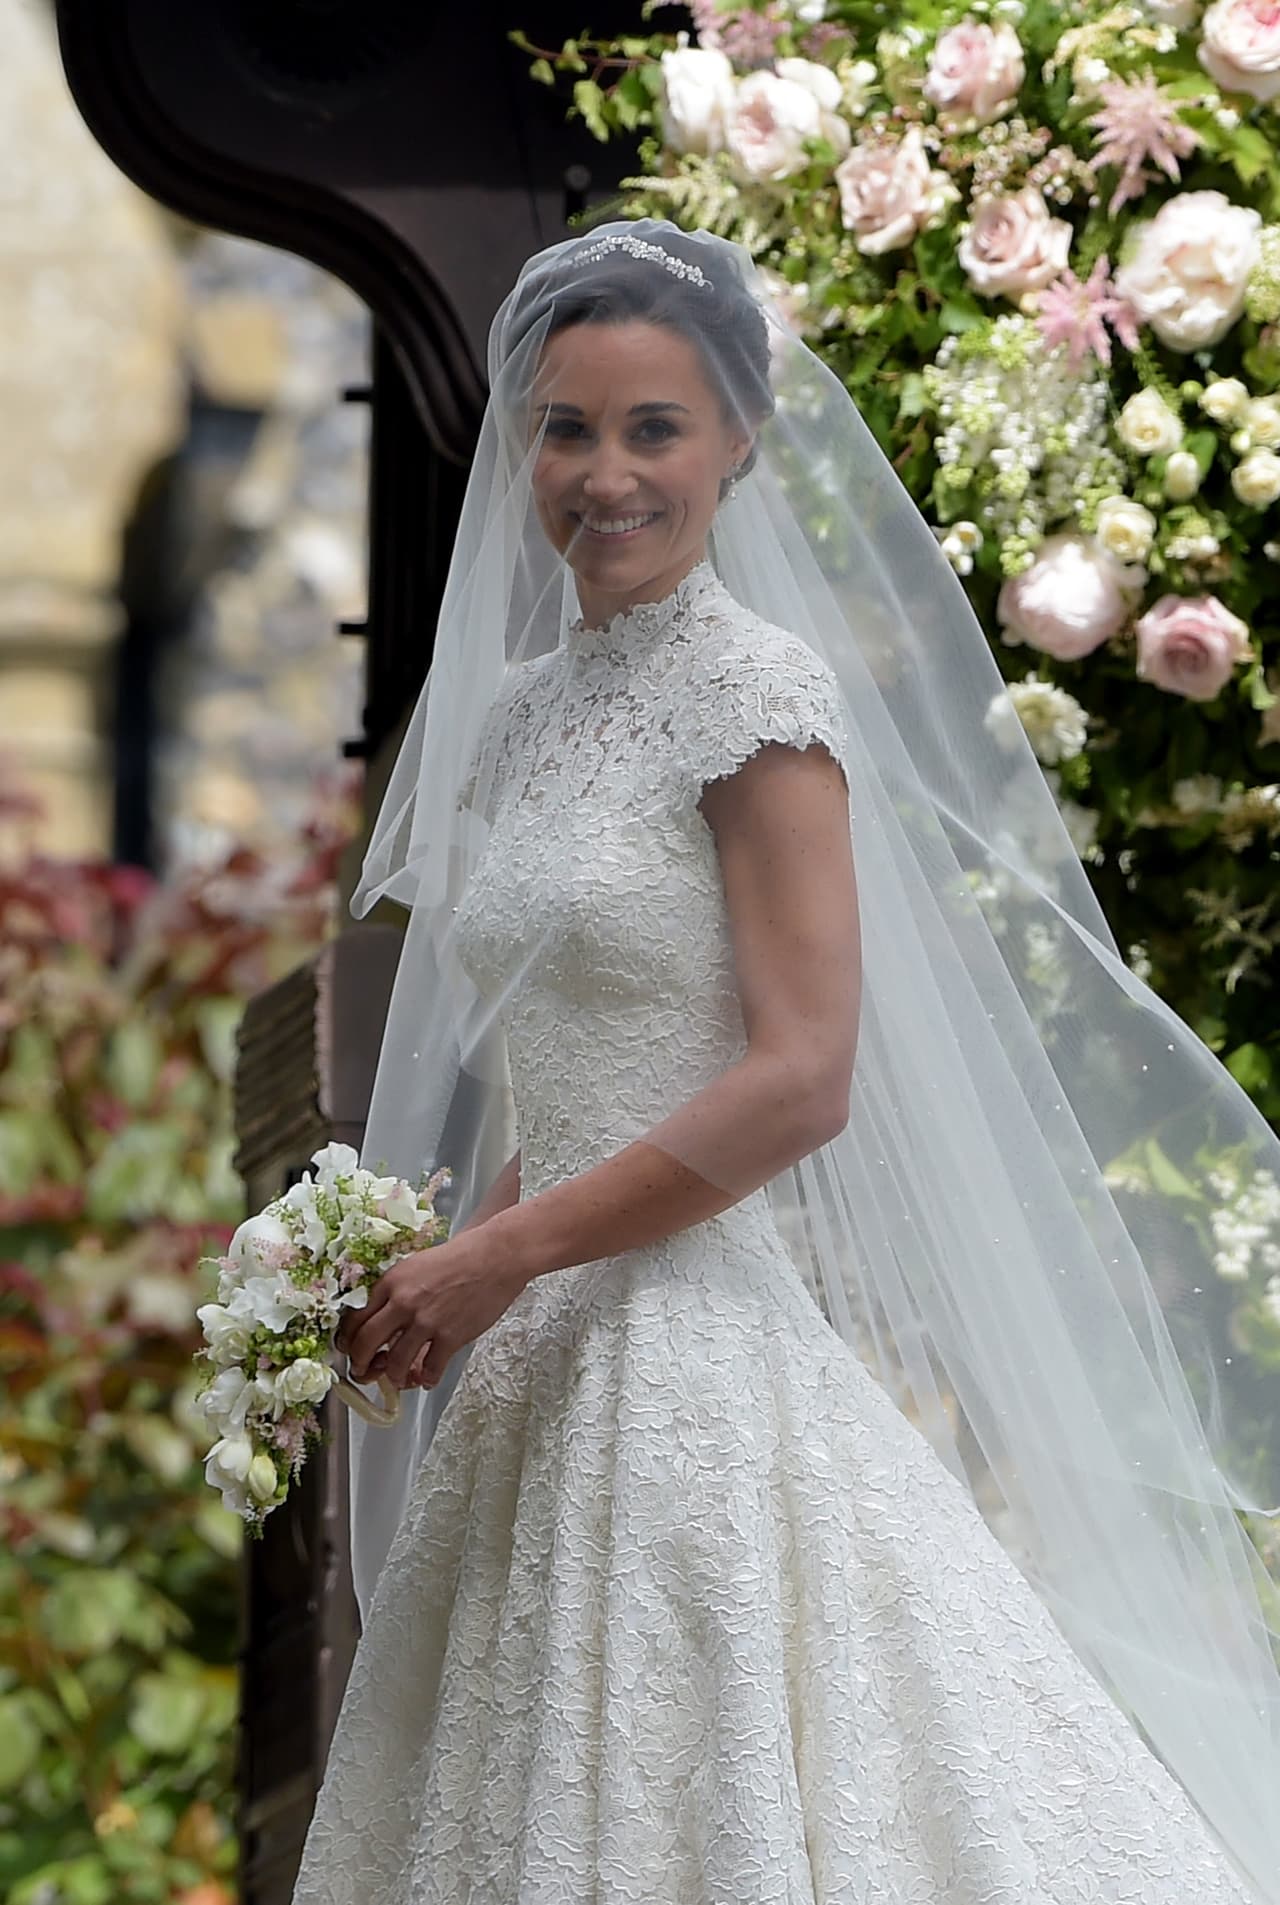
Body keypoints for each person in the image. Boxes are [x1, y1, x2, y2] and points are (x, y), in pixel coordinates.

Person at [290, 221, 1280, 1903]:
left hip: (696, 1356)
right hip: (546, 1351)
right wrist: (445, 1268)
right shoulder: (519, 715)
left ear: (740, 438)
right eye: (567, 426)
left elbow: (799, 1074)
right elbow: (590, 1058)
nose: (605, 473)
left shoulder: (761, 699)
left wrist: (498, 1258)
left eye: (653, 427)